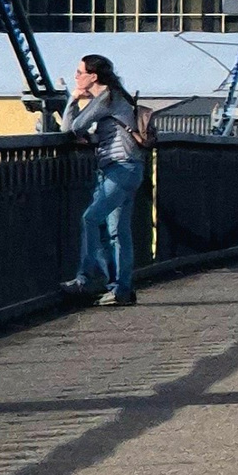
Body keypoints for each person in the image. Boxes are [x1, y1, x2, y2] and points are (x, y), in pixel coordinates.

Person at [59, 54, 151, 307]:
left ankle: (85, 279)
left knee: (90, 218)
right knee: (117, 231)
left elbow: (71, 128)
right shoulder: (114, 97)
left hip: (120, 169)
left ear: (93, 76)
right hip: (127, 168)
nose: (76, 76)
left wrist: (73, 100)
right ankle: (121, 290)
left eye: (79, 72)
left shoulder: (106, 98)